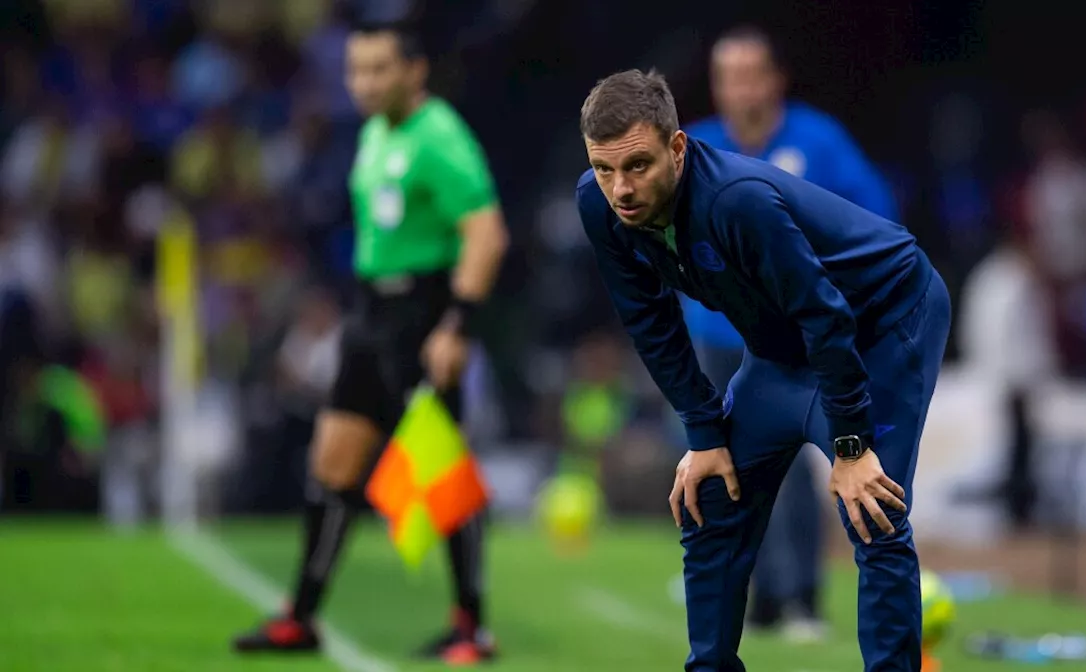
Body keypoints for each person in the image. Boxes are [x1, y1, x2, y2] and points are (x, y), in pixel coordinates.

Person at [576, 69, 950, 671]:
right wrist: (703, 434)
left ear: (677, 147)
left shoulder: (736, 200)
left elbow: (826, 316)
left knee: (873, 511)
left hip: (886, 321)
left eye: (638, 165)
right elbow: (650, 321)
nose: (620, 188)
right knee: (708, 497)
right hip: (782, 346)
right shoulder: (599, 204)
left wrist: (852, 446)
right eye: (604, 168)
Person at [233, 22, 510, 664]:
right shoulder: (376, 132)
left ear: (415, 71)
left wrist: (456, 325)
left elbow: (486, 233)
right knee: (332, 462)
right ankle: (299, 617)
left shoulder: (439, 136)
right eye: (356, 70)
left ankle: (472, 626)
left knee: (438, 470)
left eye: (379, 70)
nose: (363, 83)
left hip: (422, 315)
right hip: (371, 315)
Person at [683, 25, 900, 639]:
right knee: (726, 464)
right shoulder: (694, 147)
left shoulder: (820, 142)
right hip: (720, 335)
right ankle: (749, 597)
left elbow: (874, 220)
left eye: (752, 74)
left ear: (776, 79)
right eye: (729, 76)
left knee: (810, 461)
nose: (740, 88)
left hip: (799, 337)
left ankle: (802, 597)